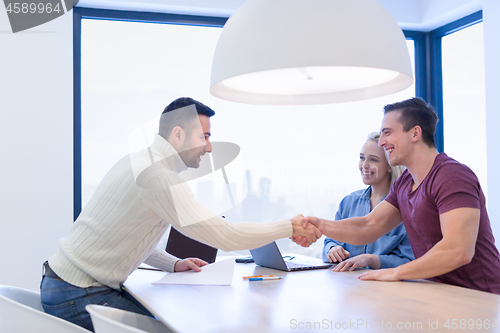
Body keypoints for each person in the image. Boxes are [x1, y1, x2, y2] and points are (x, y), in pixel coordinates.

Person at [40, 97, 321, 331]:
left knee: (165, 319)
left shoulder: (136, 161)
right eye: (204, 137)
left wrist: (173, 264)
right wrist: (290, 227)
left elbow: (125, 234)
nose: (209, 147)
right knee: (173, 325)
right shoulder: (159, 179)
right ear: (178, 135)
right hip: (78, 293)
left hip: (64, 283)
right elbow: (227, 237)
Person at [298, 97, 500, 294]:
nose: (382, 141)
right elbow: (368, 225)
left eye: (387, 133)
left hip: (482, 298)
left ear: (415, 133)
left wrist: (396, 272)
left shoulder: (452, 176)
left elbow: (459, 250)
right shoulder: (404, 183)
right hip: (441, 296)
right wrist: (318, 225)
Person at [323, 132, 414, 272]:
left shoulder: (405, 208)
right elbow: (330, 240)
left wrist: (371, 260)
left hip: (386, 287)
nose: (364, 165)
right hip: (348, 283)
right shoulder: (348, 202)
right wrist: (332, 249)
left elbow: (410, 260)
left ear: (390, 165)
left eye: (373, 160)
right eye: (362, 158)